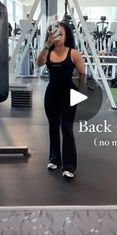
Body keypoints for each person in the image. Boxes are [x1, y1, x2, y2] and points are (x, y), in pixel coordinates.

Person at [37, 21, 85, 179]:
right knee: (53, 126)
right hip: (51, 94)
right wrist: (46, 45)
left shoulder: (73, 53)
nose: (57, 37)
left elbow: (82, 74)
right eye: (54, 34)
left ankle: (70, 165)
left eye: (61, 34)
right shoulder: (47, 52)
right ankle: (54, 158)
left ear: (67, 36)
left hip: (68, 94)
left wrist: (80, 93)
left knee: (66, 128)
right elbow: (39, 63)